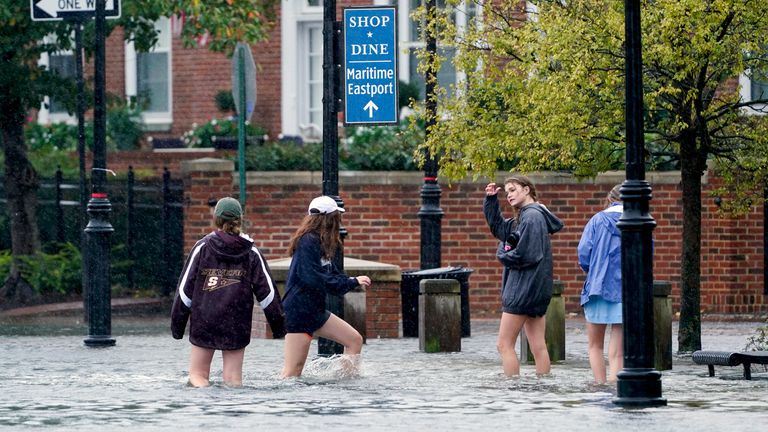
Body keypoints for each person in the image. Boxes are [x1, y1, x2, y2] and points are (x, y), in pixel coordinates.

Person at [171, 197, 286, 387]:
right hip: (236, 321)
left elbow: (184, 291)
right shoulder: (251, 252)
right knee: (233, 379)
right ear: (239, 219)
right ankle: (231, 412)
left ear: (216, 218)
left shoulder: (202, 248)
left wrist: (177, 327)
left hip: (205, 318)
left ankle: (205, 406)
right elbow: (268, 293)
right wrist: (279, 326)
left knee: (198, 375)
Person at [280, 196, 372, 378]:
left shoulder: (321, 243)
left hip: (315, 310)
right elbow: (314, 279)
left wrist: (352, 280)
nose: (339, 221)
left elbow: (332, 274)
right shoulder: (307, 241)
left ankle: (344, 383)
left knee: (354, 340)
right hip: (299, 311)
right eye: (337, 217)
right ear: (329, 218)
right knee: (292, 373)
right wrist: (351, 282)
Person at [483, 175, 563, 377]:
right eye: (507, 191)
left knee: (504, 344)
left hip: (523, 289)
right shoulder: (525, 216)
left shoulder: (532, 217)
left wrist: (503, 254)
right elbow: (500, 230)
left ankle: (513, 389)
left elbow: (528, 254)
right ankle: (543, 386)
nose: (508, 194)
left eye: (513, 189)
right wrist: (492, 201)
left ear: (527, 190)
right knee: (538, 346)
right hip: (535, 288)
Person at [577, 184, 624, 384]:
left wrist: (593, 271)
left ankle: (600, 386)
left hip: (597, 287)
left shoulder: (596, 221)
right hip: (625, 290)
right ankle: (615, 387)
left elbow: (584, 253)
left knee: (595, 346)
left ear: (609, 199)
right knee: (619, 351)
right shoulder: (639, 220)